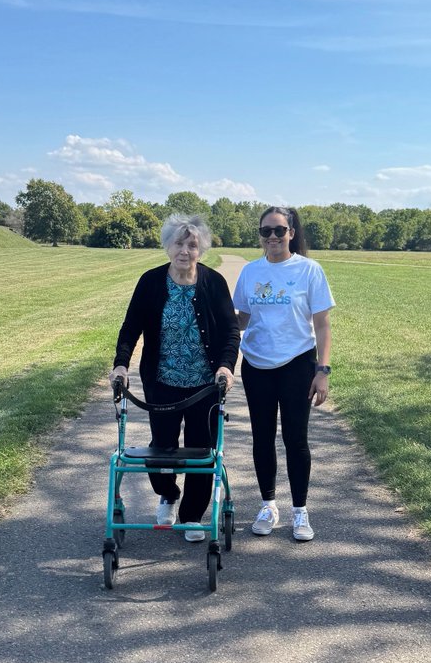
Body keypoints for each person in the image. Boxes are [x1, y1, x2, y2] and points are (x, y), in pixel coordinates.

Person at [110, 214, 239, 541]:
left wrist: (226, 367)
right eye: (179, 243)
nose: (185, 251)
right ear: (168, 246)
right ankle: (168, 493)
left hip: (205, 386)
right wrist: (121, 365)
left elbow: (230, 332)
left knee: (201, 451)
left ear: (201, 249)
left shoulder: (213, 283)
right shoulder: (151, 281)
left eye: (192, 245)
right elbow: (130, 328)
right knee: (162, 449)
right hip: (162, 383)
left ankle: (192, 516)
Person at [232, 206, 335, 542]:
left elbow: (322, 325)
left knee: (295, 439)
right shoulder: (250, 271)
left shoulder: (309, 270)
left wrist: (322, 370)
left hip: (297, 364)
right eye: (266, 231)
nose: (273, 236)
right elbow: (242, 318)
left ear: (291, 233)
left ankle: (300, 511)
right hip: (257, 366)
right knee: (262, 438)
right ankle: (268, 507)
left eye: (279, 230)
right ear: (260, 235)